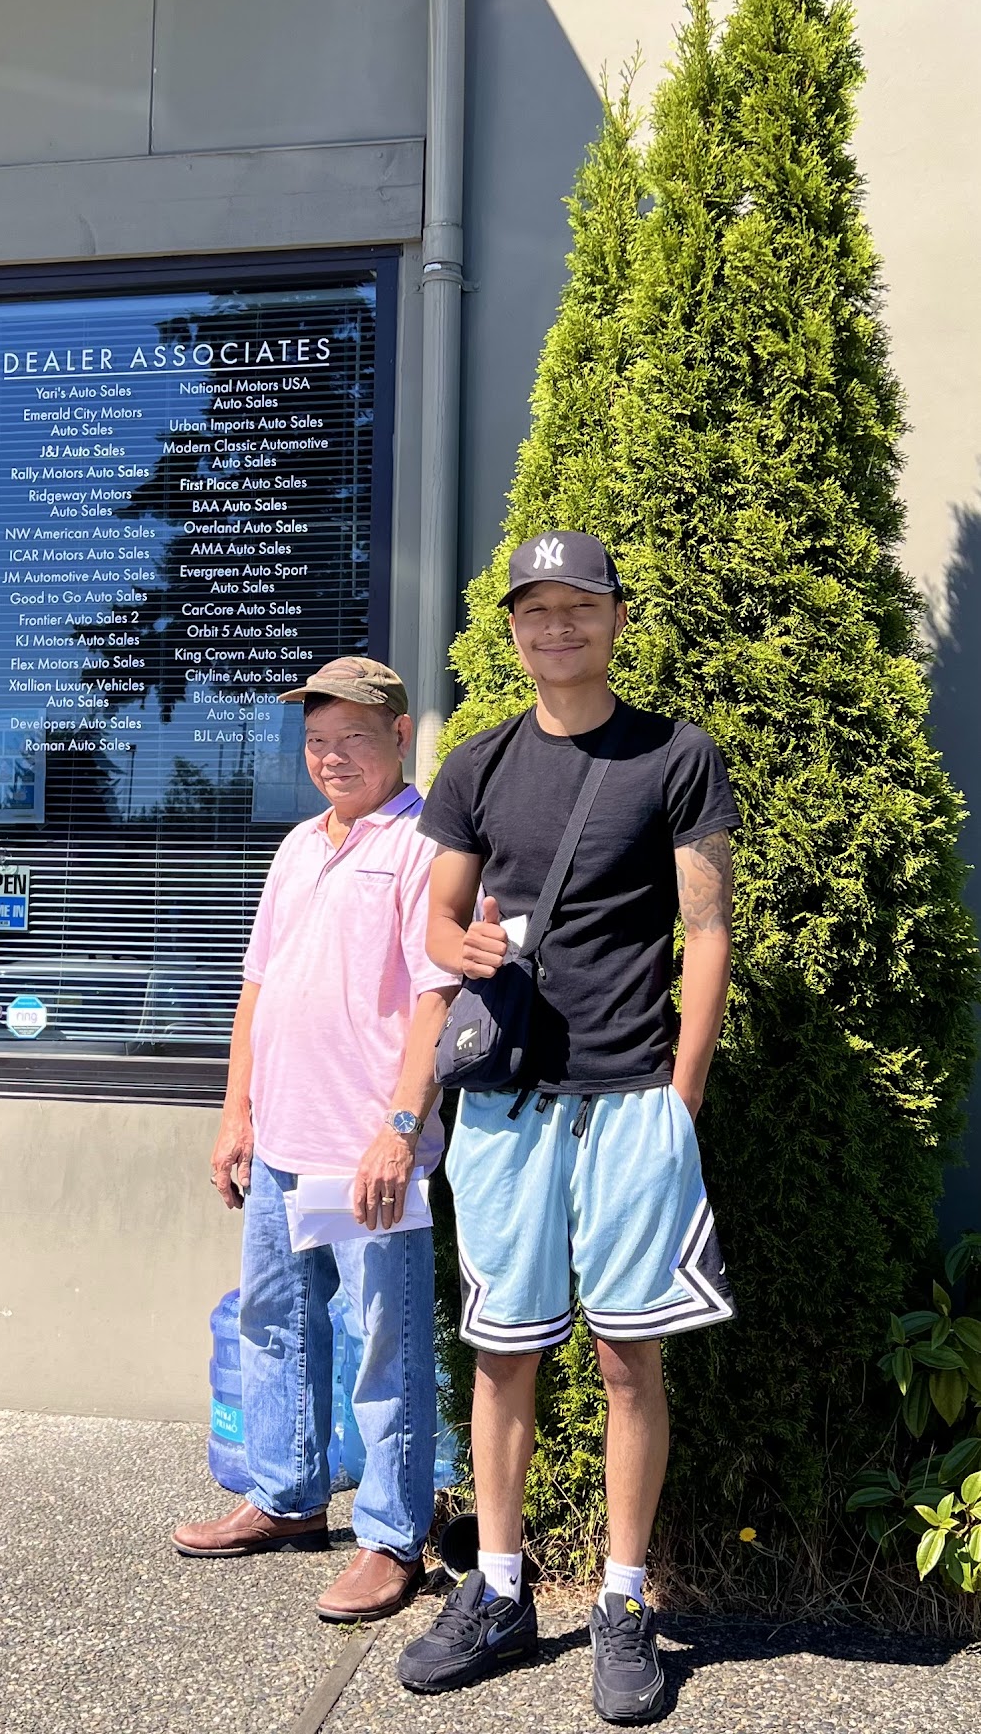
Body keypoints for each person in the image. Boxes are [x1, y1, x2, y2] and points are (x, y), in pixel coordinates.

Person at [397, 533, 738, 1726]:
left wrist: (682, 1090)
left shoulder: (676, 754)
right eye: (535, 609)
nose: (557, 626)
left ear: (617, 618)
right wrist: (465, 943)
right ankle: (498, 1590)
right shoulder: (478, 762)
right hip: (506, 1102)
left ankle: (624, 1599)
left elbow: (707, 928)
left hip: (632, 1096)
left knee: (627, 1356)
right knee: (504, 1352)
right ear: (513, 628)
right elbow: (436, 925)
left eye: (578, 606)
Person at [172, 657, 459, 1622]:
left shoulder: (425, 844)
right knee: (275, 1322)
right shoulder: (298, 846)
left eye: (353, 739)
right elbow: (256, 986)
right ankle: (287, 1497)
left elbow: (437, 999)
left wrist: (399, 1128)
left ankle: (390, 1537)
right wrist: (236, 1112)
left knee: (386, 1345)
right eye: (317, 742)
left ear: (400, 737)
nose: (332, 758)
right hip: (283, 1140)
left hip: (367, 1150)